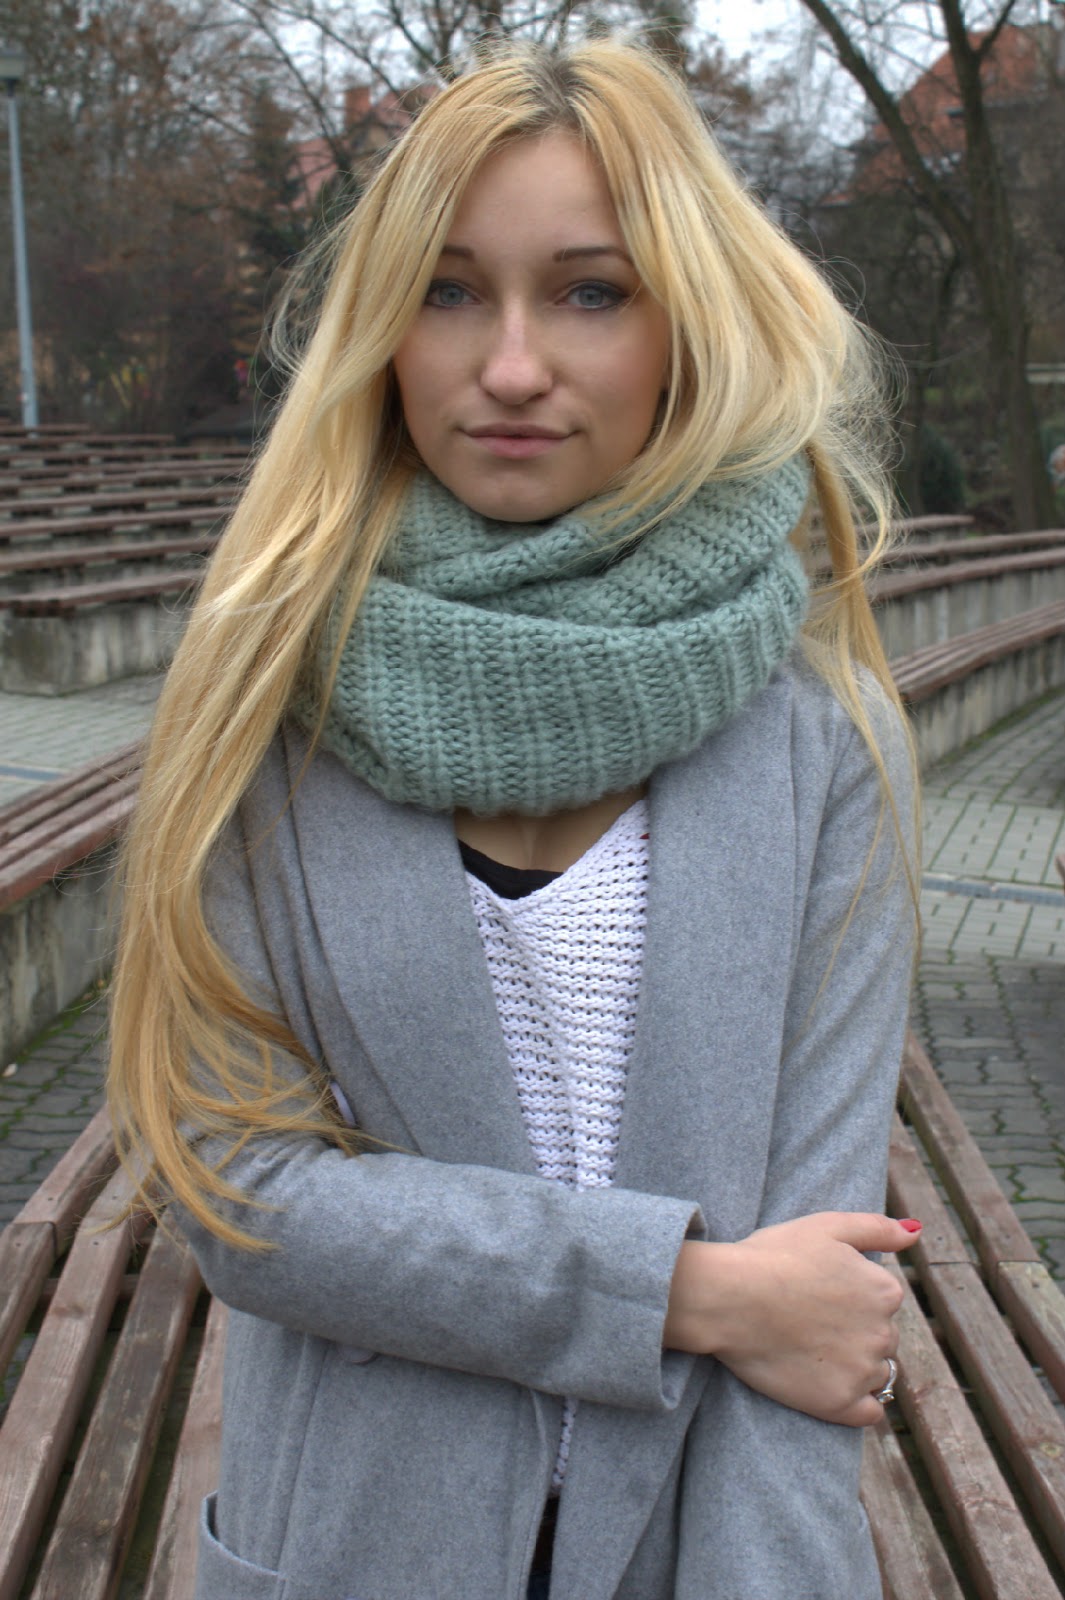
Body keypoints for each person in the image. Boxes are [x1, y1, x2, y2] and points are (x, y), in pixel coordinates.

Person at [108, 38, 921, 1600]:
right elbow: (243, 1197)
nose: (510, 366)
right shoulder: (258, 705)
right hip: (345, 1554)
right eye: (449, 292)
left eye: (590, 292)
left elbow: (815, 1308)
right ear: (380, 331)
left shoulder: (824, 747)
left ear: (687, 322)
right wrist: (683, 1293)